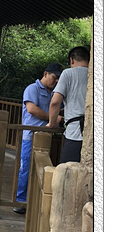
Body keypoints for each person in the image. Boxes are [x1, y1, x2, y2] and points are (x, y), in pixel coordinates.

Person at [14, 62, 63, 214]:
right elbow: (31, 109)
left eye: (58, 79)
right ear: (45, 74)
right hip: (30, 136)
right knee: (26, 169)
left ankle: (36, 203)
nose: (56, 81)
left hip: (46, 137)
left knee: (42, 170)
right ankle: (21, 201)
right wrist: (52, 118)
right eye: (54, 77)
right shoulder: (32, 88)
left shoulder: (54, 94)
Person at [47, 46, 90, 164]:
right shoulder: (96, 75)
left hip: (75, 133)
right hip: (94, 132)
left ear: (72, 60)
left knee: (66, 170)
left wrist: (51, 122)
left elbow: (55, 102)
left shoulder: (68, 73)